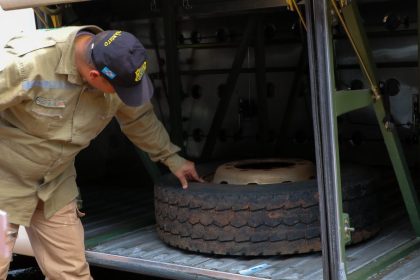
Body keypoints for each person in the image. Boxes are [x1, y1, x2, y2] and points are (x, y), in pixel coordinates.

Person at [0, 25, 203, 279]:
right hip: (5, 182)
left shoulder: (119, 69)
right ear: (95, 76)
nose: (125, 96)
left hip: (54, 184)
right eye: (120, 90)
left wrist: (171, 158)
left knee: (72, 274)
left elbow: (139, 119)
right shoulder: (28, 64)